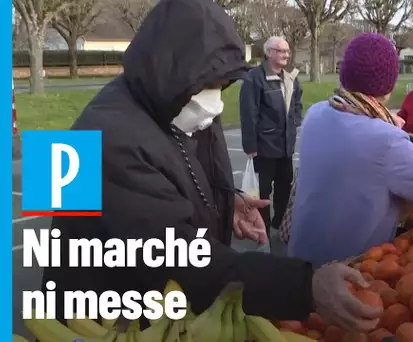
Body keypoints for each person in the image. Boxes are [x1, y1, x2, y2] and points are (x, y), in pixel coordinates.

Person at [41, 0, 382, 332]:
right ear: (174, 72)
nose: (216, 100)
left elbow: (181, 166)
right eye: (209, 85)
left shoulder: (177, 101)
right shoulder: (100, 138)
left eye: (224, 85)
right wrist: (304, 287)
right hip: (104, 316)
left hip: (164, 304)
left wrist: (225, 199)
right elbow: (176, 255)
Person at [287, 33, 413, 269]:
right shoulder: (386, 139)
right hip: (348, 270)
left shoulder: (316, 113)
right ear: (388, 85)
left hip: (299, 259)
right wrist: (392, 134)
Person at [240, 36, 303, 247]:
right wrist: (250, 145)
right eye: (281, 51)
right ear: (269, 53)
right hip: (264, 147)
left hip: (285, 147)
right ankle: (263, 231)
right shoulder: (254, 78)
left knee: (285, 187)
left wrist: (295, 121)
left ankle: (278, 225)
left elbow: (297, 103)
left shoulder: (291, 78)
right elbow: (249, 113)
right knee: (263, 193)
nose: (286, 54)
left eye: (287, 51)